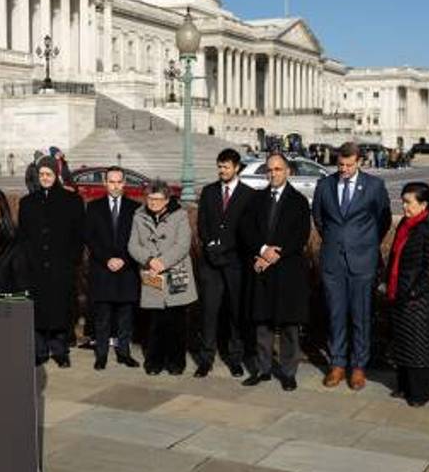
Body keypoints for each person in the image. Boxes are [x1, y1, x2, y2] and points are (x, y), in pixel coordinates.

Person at [311, 141, 391, 390]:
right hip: (333, 261)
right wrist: (337, 241)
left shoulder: (374, 186)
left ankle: (358, 367)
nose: (344, 169)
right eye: (340, 164)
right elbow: (319, 218)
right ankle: (337, 364)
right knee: (335, 315)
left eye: (349, 165)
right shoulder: (324, 185)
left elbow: (383, 220)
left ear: (359, 162)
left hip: (363, 261)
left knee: (361, 316)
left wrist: (364, 243)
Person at [240, 154, 311, 391]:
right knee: (263, 324)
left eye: (278, 169)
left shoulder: (299, 201)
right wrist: (262, 250)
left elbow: (299, 236)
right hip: (261, 270)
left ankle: (289, 372)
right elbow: (246, 229)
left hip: (287, 271)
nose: (273, 174)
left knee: (289, 325)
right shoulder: (256, 199)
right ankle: (263, 369)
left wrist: (274, 256)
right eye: (269, 170)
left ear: (288, 171)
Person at [384, 182, 429, 407]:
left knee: (419, 348)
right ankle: (404, 386)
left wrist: (412, 292)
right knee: (403, 345)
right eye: (403, 201)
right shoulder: (406, 223)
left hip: (419, 300)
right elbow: (395, 256)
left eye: (409, 202)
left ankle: (420, 394)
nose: (404, 206)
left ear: (424, 204)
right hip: (400, 294)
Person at [17, 157, 85, 366]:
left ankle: (60, 350)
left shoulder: (72, 201)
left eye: (49, 174)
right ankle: (39, 350)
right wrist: (27, 261)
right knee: (38, 310)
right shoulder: (27, 202)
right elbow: (23, 236)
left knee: (60, 310)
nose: (45, 178)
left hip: (61, 266)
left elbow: (78, 235)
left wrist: (72, 260)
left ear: (56, 175)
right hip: (35, 267)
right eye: (42, 174)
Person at [196, 148, 256, 377]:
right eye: (219, 167)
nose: (222, 171)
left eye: (226, 167)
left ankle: (235, 358)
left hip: (235, 264)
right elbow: (202, 224)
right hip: (211, 263)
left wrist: (226, 248)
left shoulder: (248, 194)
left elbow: (248, 230)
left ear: (237, 168)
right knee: (209, 312)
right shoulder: (209, 192)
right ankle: (206, 359)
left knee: (235, 313)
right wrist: (211, 246)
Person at [129, 179, 197, 375]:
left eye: (157, 199)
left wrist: (163, 262)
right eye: (150, 198)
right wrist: (150, 260)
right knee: (154, 321)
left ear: (167, 200)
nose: (153, 203)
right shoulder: (139, 216)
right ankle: (154, 362)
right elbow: (133, 245)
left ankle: (176, 362)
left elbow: (183, 245)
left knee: (176, 321)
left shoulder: (180, 215)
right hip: (151, 273)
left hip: (175, 274)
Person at [84, 167, 142, 370]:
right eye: (111, 181)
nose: (115, 185)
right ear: (105, 183)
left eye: (119, 182)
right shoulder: (93, 207)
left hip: (127, 269)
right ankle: (101, 355)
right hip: (102, 268)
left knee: (125, 315)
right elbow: (90, 238)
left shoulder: (135, 208)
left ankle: (124, 353)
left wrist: (124, 259)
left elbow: (138, 239)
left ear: (124, 183)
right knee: (103, 316)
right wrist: (107, 258)